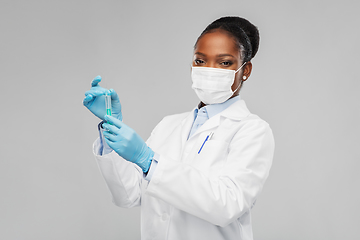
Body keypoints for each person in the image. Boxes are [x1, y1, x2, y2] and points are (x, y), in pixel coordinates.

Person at [83, 16, 275, 240]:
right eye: (201, 61)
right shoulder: (169, 125)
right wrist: (111, 130)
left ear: (246, 70)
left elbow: (227, 205)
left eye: (224, 63)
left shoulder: (252, 130)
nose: (210, 70)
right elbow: (128, 195)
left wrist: (148, 160)